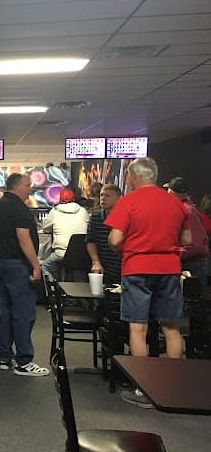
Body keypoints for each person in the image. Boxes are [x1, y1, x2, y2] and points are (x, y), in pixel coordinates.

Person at [105, 158, 191, 408]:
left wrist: (129, 248)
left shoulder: (128, 201)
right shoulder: (176, 203)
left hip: (137, 268)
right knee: (171, 328)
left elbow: (115, 239)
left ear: (133, 176)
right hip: (169, 268)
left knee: (138, 328)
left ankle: (143, 389)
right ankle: (174, 387)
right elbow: (186, 239)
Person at [0, 173, 49, 376]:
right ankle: (24, 361)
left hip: (2, 263)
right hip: (17, 265)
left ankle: (4, 357)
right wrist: (36, 265)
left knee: (7, 312)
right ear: (16, 186)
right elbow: (23, 237)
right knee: (24, 313)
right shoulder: (18, 207)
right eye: (28, 185)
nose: (31, 188)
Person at [40, 189, 90, 283]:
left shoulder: (54, 211)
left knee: (45, 267)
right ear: (74, 199)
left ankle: (54, 287)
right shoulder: (83, 211)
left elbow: (45, 228)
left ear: (60, 200)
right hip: (82, 254)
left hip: (61, 254)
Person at [165, 177, 208, 283]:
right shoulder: (185, 208)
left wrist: (172, 254)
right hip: (191, 262)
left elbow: (195, 246)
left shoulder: (187, 211)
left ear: (171, 192)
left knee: (190, 292)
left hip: (192, 264)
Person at [86, 184, 123, 284]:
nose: (103, 198)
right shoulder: (96, 216)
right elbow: (91, 241)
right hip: (103, 265)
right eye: (101, 195)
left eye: (108, 196)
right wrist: (96, 261)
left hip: (121, 266)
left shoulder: (125, 216)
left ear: (118, 198)